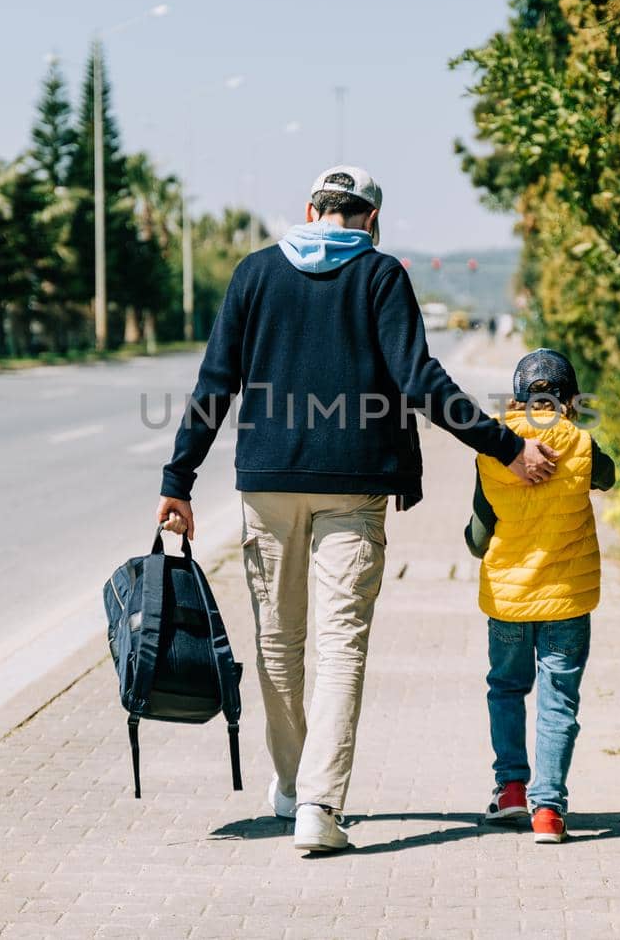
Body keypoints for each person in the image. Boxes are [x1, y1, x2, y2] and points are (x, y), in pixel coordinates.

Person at [155, 165, 560, 853]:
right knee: (340, 644)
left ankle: (292, 786)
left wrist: (178, 479)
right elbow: (421, 380)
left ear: (311, 209)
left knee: (279, 645)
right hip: (355, 484)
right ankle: (317, 803)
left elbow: (215, 382)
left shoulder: (255, 272)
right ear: (371, 219)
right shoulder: (381, 275)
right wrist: (503, 446)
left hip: (268, 482)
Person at [463, 348, 616, 844]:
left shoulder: (494, 449)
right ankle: (548, 812)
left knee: (506, 688)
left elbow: (478, 537)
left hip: (509, 598)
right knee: (559, 699)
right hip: (567, 598)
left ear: (516, 397)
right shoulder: (582, 444)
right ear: (570, 400)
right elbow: (608, 476)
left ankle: (510, 790)